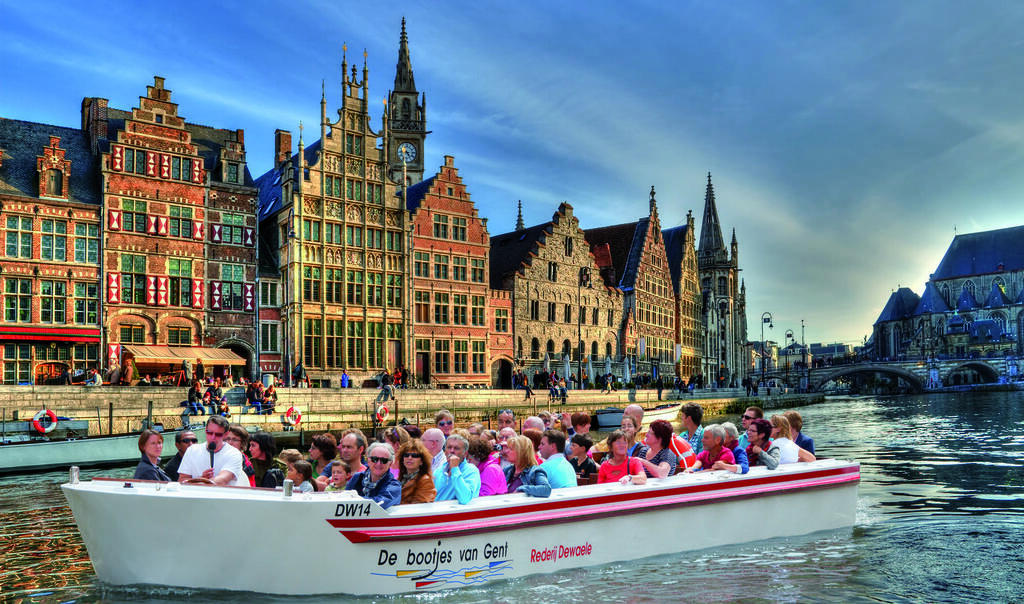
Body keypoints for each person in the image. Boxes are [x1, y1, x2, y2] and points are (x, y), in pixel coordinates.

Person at [177, 416, 247, 486]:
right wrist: (201, 478)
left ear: (226, 434)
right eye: (210, 433)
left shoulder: (234, 454)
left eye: (218, 434)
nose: (213, 437)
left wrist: (200, 480)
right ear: (205, 430)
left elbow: (220, 482)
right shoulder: (191, 450)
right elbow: (182, 481)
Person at [346, 442, 401, 509]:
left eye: (384, 460)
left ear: (390, 463)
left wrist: (354, 499)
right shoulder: (357, 477)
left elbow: (380, 503)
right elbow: (344, 498)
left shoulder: (394, 485)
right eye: (374, 459)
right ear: (368, 460)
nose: (378, 463)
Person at [432, 434, 481, 504]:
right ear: (445, 451)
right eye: (449, 447)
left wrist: (455, 469)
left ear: (465, 454)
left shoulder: (471, 470)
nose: (452, 451)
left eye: (456, 448)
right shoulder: (439, 470)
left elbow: (465, 499)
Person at [397, 440, 437, 504]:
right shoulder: (400, 478)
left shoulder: (425, 480)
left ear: (422, 461)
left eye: (414, 455)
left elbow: (420, 507)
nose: (409, 458)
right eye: (406, 455)